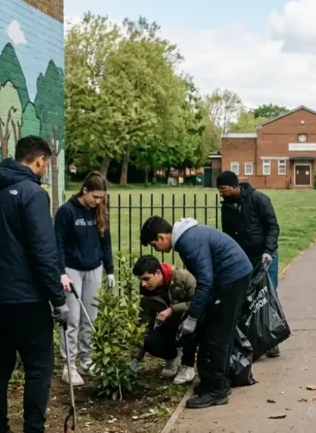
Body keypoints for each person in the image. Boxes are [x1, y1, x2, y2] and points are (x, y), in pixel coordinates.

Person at [0, 136, 70, 433]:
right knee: (38, 368)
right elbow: (43, 251)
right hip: (27, 299)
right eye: (46, 162)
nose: (45, 167)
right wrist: (57, 299)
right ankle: (33, 428)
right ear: (39, 160)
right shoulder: (32, 194)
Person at [140, 216, 253, 409]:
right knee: (215, 332)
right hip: (233, 277)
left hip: (232, 279)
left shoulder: (188, 242)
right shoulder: (189, 237)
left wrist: (192, 316)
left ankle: (217, 391)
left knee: (218, 336)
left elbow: (205, 281)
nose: (155, 250)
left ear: (161, 237)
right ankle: (218, 383)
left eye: (153, 244)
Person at [54, 171, 115, 386]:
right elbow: (58, 243)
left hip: (94, 268)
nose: (98, 201)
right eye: (95, 197)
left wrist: (110, 271)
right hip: (71, 270)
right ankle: (68, 365)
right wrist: (61, 272)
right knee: (72, 318)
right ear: (85, 190)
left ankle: (86, 358)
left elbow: (106, 243)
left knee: (91, 316)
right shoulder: (66, 212)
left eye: (101, 198)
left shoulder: (100, 212)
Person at [217, 170, 282, 358]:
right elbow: (228, 235)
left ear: (235, 187)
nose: (221, 193)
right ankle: (255, 341)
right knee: (248, 299)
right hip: (244, 259)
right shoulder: (227, 206)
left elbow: (272, 226)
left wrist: (268, 251)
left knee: (268, 296)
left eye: (223, 189)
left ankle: (272, 341)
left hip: (264, 256)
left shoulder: (259, 199)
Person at [130, 255, 197, 385]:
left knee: (189, 324)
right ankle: (172, 357)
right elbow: (143, 324)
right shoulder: (146, 291)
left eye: (146, 279)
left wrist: (172, 309)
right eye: (141, 280)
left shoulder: (183, 278)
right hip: (170, 326)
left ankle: (188, 366)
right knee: (150, 341)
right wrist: (135, 360)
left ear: (158, 273)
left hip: (192, 320)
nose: (143, 283)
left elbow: (198, 303)